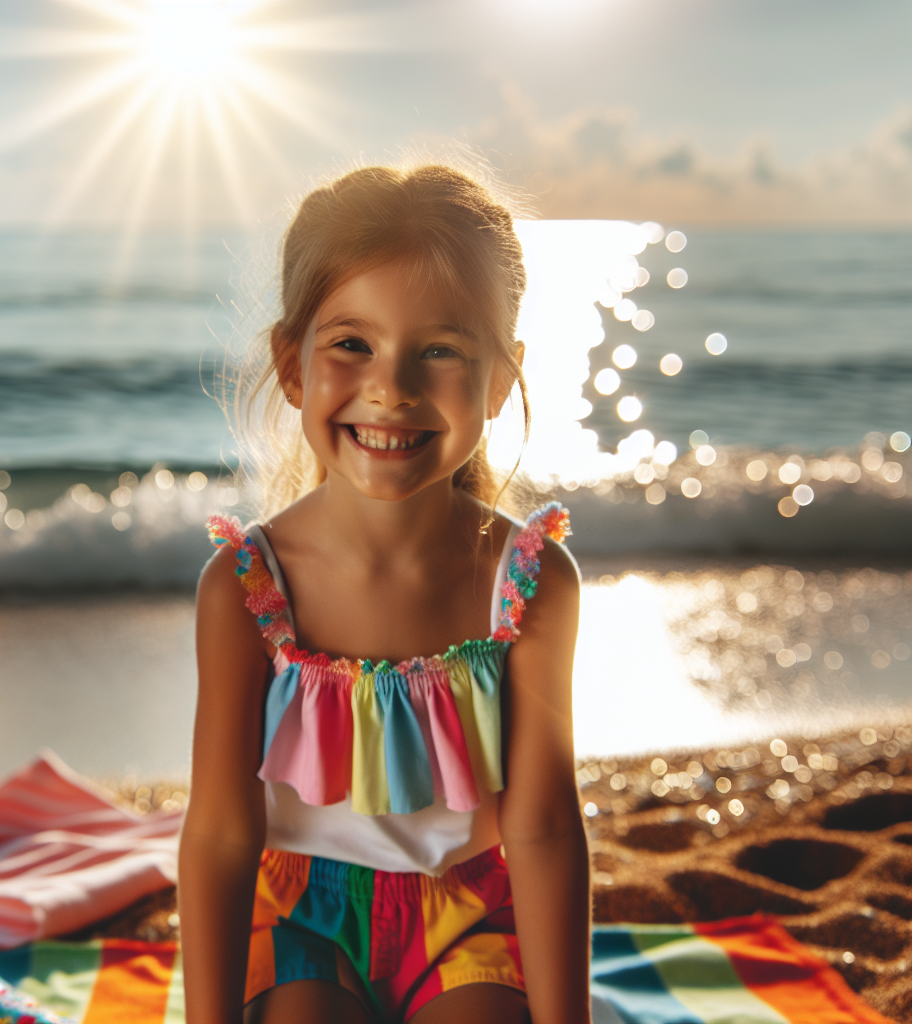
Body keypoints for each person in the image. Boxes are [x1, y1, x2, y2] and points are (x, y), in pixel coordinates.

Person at [178, 164, 590, 1024]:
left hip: (466, 916)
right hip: (300, 918)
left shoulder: (525, 584)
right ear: (292, 367)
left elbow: (546, 828)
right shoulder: (248, 588)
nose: (391, 387)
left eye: (439, 350)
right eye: (352, 345)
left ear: (500, 381)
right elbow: (221, 834)